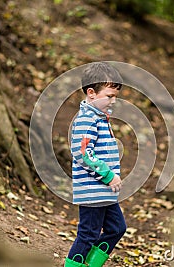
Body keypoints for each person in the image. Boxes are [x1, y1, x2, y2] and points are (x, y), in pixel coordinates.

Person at [64, 62, 127, 267]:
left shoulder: (100, 118)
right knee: (88, 235)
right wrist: (108, 175)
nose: (113, 101)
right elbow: (82, 154)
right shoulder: (87, 119)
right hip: (93, 192)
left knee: (117, 228)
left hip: (104, 193)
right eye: (109, 96)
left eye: (115, 96)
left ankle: (90, 264)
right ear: (91, 93)